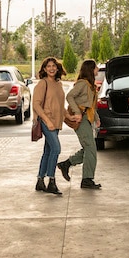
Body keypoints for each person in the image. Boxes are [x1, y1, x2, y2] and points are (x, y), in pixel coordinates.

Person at [57, 59, 101, 189]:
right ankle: (87, 179)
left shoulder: (90, 85)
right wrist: (76, 112)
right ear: (90, 69)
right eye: (96, 67)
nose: (98, 69)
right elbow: (69, 96)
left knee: (89, 149)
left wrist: (97, 118)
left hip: (88, 119)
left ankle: (66, 164)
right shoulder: (82, 84)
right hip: (81, 120)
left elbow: (92, 106)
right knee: (91, 148)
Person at [34, 57, 68, 195]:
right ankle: (51, 181)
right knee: (56, 149)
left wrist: (68, 116)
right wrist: (47, 121)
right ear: (44, 69)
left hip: (56, 123)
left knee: (48, 151)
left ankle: (40, 181)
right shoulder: (43, 83)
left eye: (54, 66)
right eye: (48, 66)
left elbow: (60, 105)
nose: (52, 68)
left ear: (57, 68)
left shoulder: (58, 84)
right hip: (47, 121)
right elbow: (36, 104)